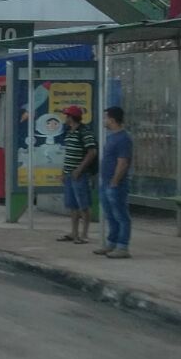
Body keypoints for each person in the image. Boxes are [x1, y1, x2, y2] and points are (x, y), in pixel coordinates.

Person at [95, 106, 133, 259]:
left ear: (112, 119)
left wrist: (115, 181)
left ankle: (123, 247)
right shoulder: (111, 137)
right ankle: (112, 243)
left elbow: (123, 162)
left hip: (115, 183)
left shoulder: (124, 139)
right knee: (110, 215)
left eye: (105, 117)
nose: (104, 120)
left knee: (120, 215)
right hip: (106, 182)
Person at [58, 105, 97, 244]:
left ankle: (84, 234)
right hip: (69, 173)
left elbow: (92, 152)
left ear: (71, 117)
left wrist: (79, 169)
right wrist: (63, 172)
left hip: (80, 174)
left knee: (83, 205)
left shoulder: (85, 132)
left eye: (66, 116)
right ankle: (74, 233)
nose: (65, 118)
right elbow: (68, 154)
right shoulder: (69, 132)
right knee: (72, 205)